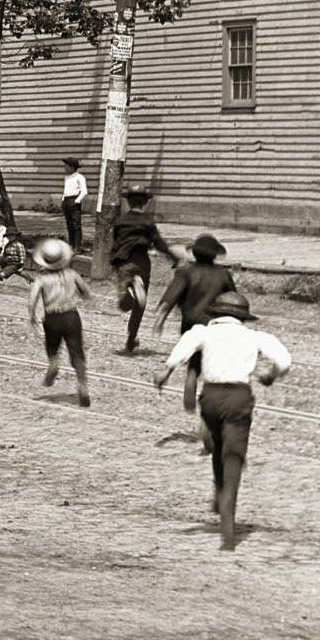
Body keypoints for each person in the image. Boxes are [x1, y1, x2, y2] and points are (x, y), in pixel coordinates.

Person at [154, 291, 291, 551]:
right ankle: (228, 532)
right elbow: (284, 360)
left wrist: (165, 371)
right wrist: (271, 375)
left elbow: (184, 348)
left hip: (211, 399)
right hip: (239, 397)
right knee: (234, 458)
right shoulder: (255, 337)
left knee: (217, 444)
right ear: (243, 318)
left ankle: (218, 492)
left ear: (215, 314)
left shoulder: (202, 332)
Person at [154, 234, 238, 427]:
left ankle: (189, 382)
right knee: (211, 358)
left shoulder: (186, 272)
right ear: (215, 255)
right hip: (214, 323)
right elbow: (234, 298)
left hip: (190, 321)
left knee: (191, 354)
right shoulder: (223, 275)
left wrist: (160, 319)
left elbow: (171, 296)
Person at [110, 186, 176, 353]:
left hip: (123, 262)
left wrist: (113, 263)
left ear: (128, 202)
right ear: (145, 203)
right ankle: (131, 340)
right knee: (140, 306)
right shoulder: (147, 222)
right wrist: (174, 258)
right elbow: (159, 243)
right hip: (141, 262)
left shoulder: (120, 221)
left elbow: (115, 243)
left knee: (124, 305)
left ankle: (129, 291)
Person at [28, 237, 91, 406]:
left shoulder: (41, 279)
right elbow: (86, 293)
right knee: (77, 353)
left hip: (52, 317)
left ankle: (54, 364)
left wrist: (32, 315)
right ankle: (83, 385)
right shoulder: (72, 274)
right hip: (71, 316)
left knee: (52, 348)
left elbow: (32, 299)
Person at [61, 158, 87, 252]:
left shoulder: (80, 177)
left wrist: (76, 201)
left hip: (74, 200)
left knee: (76, 224)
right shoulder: (66, 177)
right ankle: (71, 244)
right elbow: (65, 191)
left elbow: (84, 191)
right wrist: (63, 200)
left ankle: (77, 246)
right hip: (67, 201)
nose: (64, 167)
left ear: (72, 167)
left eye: (66, 166)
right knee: (69, 224)